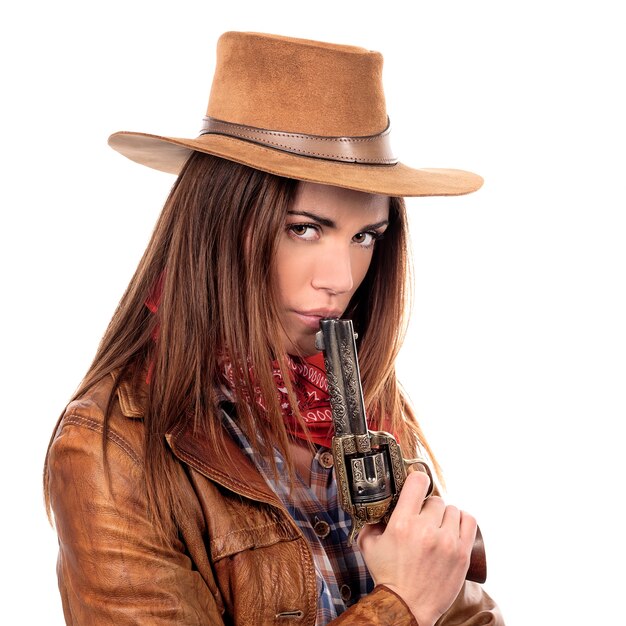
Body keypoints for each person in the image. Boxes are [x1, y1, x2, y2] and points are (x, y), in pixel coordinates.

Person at [44, 31, 504, 626]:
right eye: (305, 228)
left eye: (365, 236)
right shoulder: (112, 449)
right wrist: (403, 606)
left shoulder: (356, 405)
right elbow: (419, 598)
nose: (340, 278)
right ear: (218, 224)